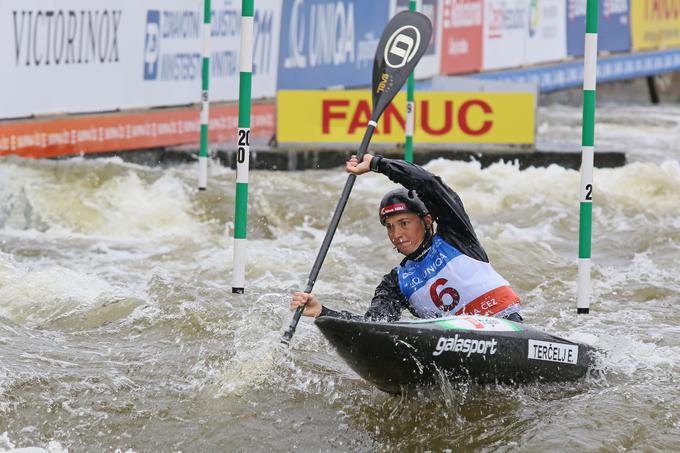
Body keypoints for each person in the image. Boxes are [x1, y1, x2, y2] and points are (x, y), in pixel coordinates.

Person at [290, 154, 522, 323]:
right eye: (390, 227)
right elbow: (374, 328)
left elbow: (430, 185)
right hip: (453, 346)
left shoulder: (457, 236)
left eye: (404, 223)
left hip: (504, 325)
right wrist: (323, 312)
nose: (396, 235)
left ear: (427, 221)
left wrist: (377, 164)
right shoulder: (396, 283)